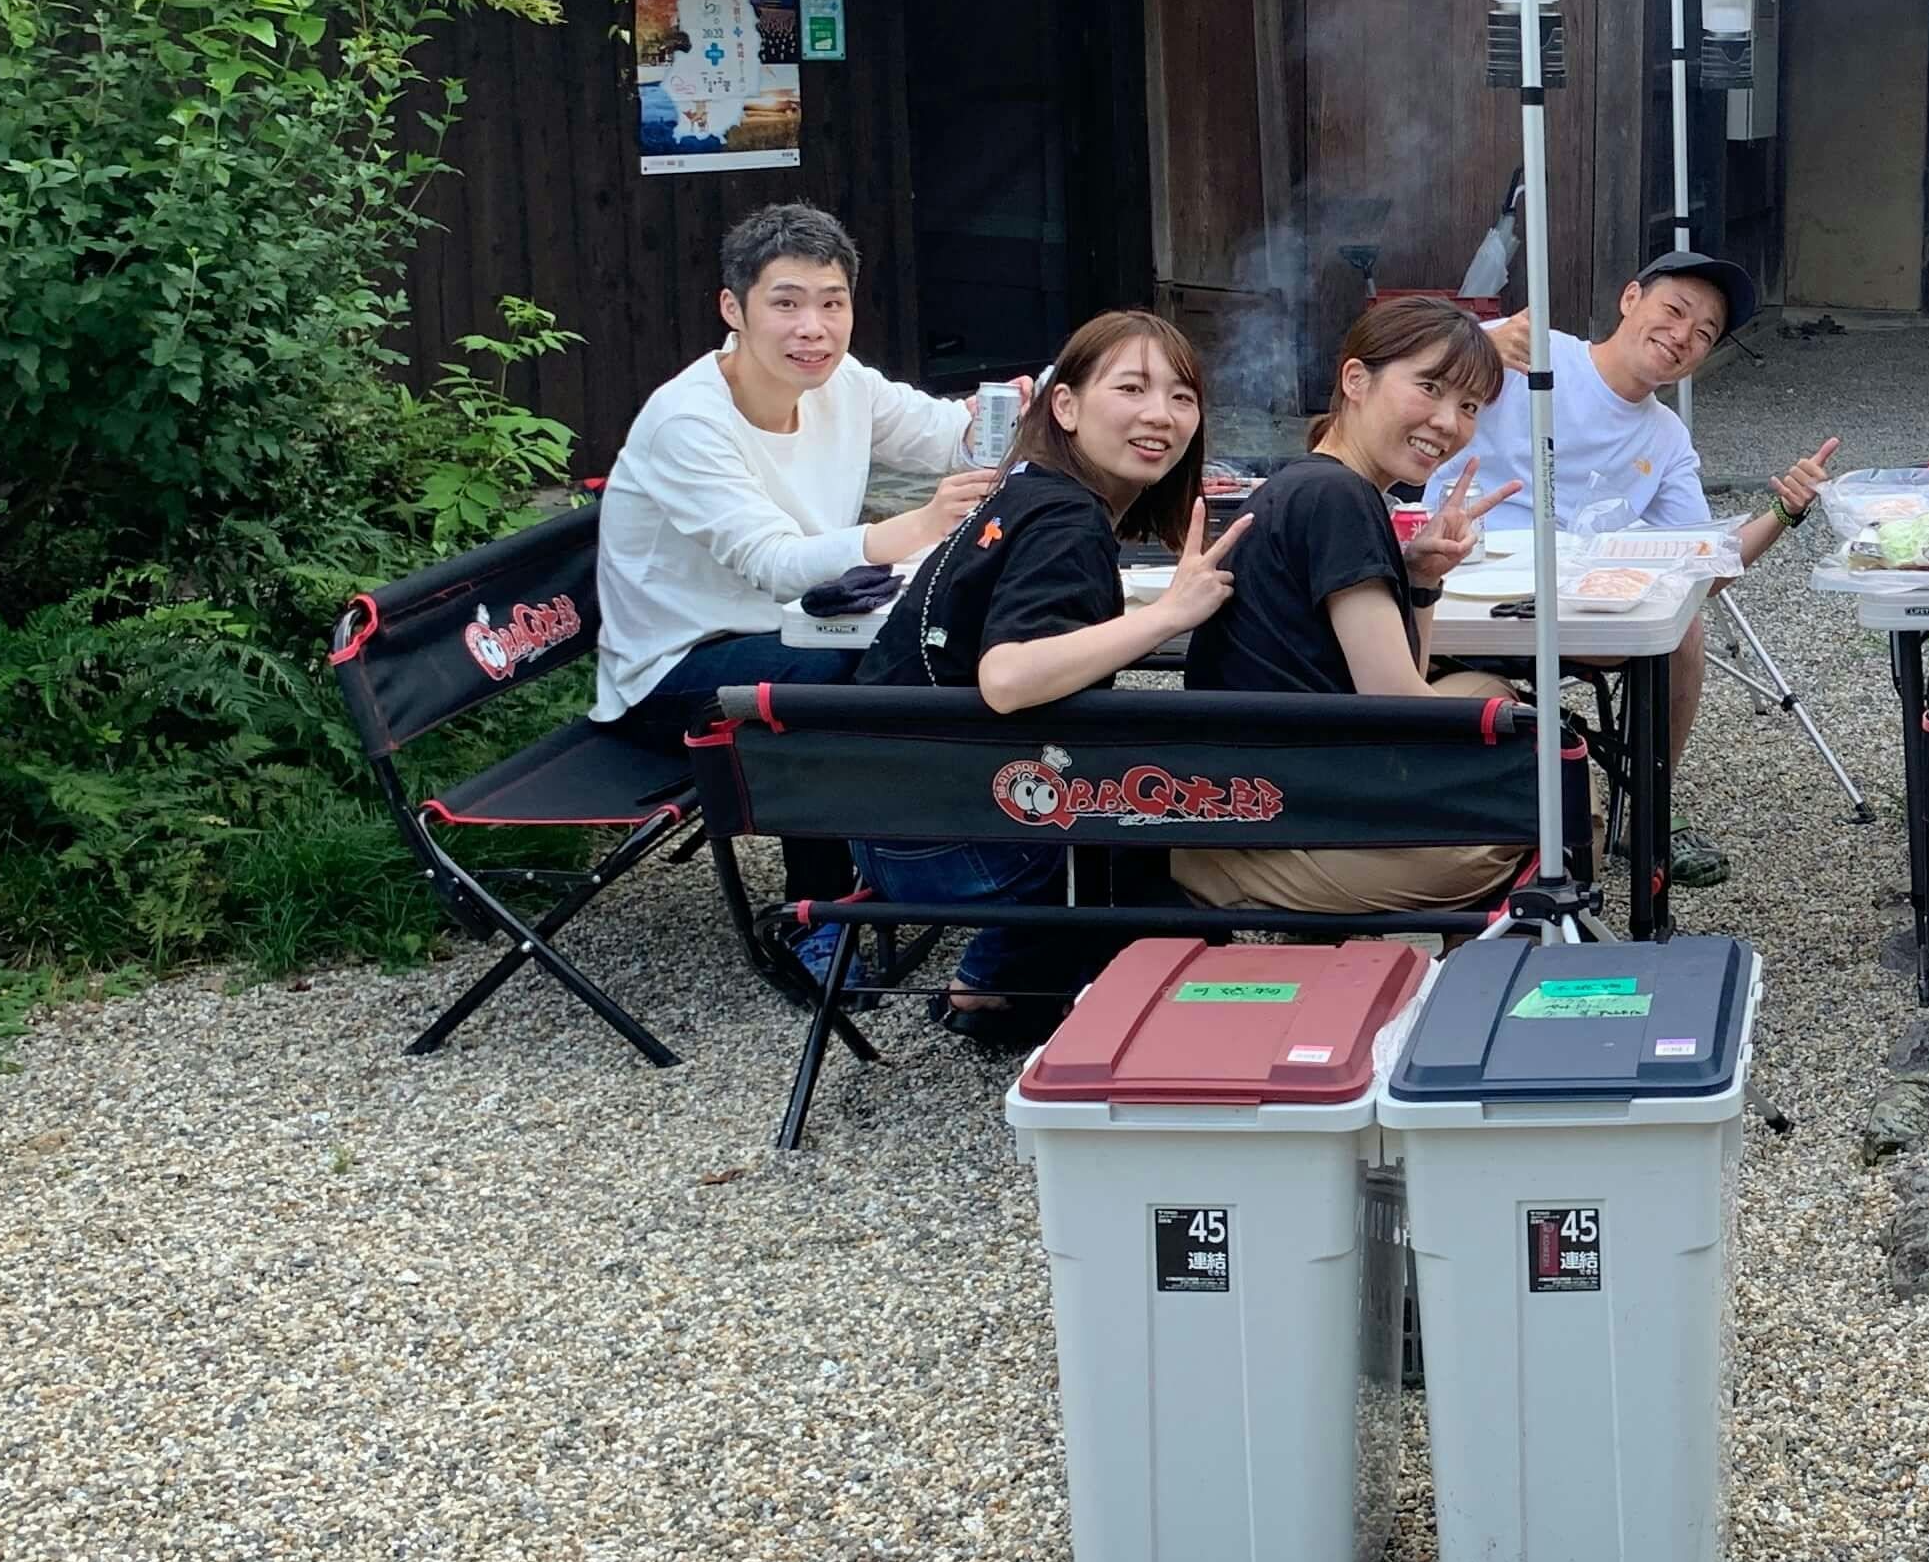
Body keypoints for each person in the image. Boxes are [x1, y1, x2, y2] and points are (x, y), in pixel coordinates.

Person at [798, 310, 1250, 1046]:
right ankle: (1019, 991)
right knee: (1170, 822)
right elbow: (1007, 677)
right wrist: (1171, 615)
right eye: (1131, 388)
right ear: (1064, 406)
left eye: (1181, 397)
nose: (1159, 415)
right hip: (953, 843)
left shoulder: (1025, 490)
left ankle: (997, 979)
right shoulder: (1067, 520)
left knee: (1131, 780)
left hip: (883, 820)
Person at [592, 201, 997, 927]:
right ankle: (822, 914)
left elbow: (947, 436)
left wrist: (1008, 413)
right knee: (836, 681)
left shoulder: (842, 383)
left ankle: (949, 862)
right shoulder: (688, 421)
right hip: (675, 670)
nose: (813, 327)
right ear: (734, 309)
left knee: (939, 643)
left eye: (832, 303)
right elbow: (776, 563)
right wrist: (920, 525)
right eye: (786, 303)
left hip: (799, 630)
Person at [1465, 242, 1840, 885]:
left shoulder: (1665, 436)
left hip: (1577, 606)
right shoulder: (1533, 348)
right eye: (1674, 310)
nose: (1683, 336)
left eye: (1705, 333)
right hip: (1461, 579)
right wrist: (1469, 349)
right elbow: (1393, 363)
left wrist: (1784, 513)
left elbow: (1705, 568)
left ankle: (1647, 804)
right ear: (1630, 298)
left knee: (1682, 622)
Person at [1169, 295, 1529, 922]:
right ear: (1356, 380)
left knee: (1495, 696)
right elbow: (1396, 709)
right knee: (1550, 801)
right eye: (1429, 388)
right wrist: (1522, 755)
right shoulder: (1340, 498)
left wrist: (1421, 578)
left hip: (1276, 783)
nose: (1448, 421)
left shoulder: (1318, 482)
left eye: (1470, 406)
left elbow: (1404, 679)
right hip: (1288, 822)